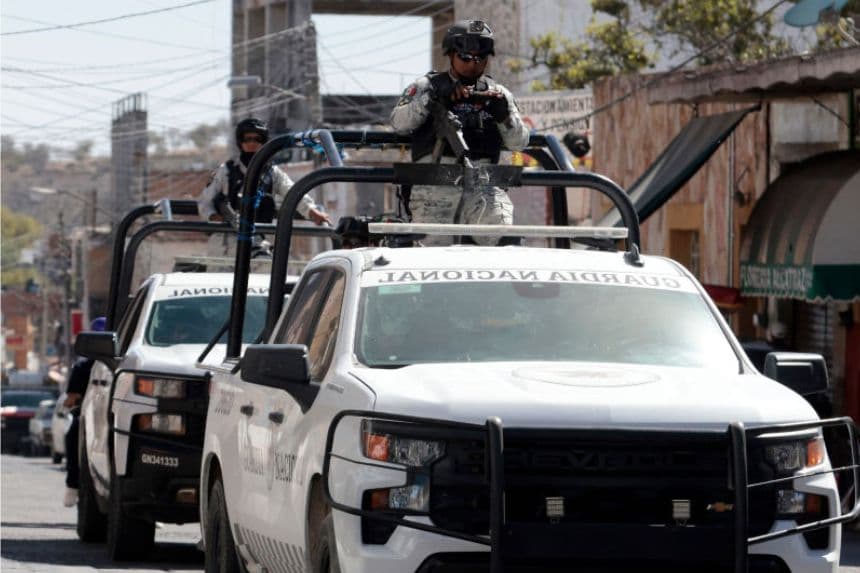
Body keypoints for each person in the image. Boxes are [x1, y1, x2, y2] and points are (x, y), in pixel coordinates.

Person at [390, 19, 530, 245]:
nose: (473, 65)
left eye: (480, 58)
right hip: (435, 188)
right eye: (465, 57)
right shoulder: (428, 86)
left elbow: (520, 143)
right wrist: (431, 99)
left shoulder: (498, 93)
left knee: (502, 250)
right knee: (434, 264)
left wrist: (504, 117)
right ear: (451, 54)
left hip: (484, 188)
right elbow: (398, 123)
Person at [198, 118, 330, 256]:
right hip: (225, 244)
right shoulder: (226, 171)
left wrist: (311, 211)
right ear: (240, 142)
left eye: (257, 139)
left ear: (263, 142)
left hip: (260, 241)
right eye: (247, 139)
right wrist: (213, 216)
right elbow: (205, 201)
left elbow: (293, 192)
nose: (252, 143)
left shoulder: (272, 173)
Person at [62, 316, 105, 508]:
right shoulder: (82, 367)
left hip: (113, 415)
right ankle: (72, 485)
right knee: (73, 435)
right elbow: (71, 399)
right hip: (87, 414)